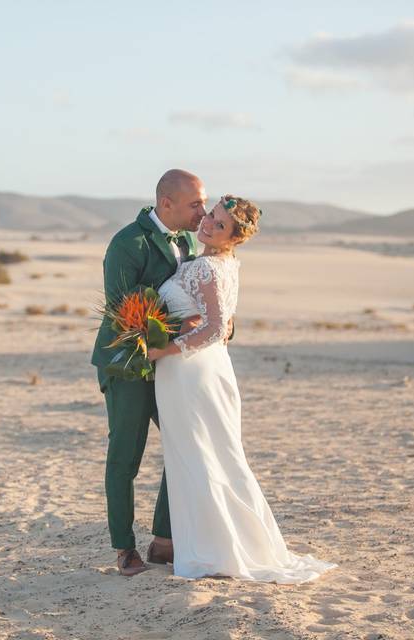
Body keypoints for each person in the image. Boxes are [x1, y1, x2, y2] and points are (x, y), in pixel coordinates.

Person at [147, 195, 337, 583]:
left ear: (233, 239)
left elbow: (218, 328)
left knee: (203, 456)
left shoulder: (211, 268)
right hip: (198, 369)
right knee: (203, 455)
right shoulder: (217, 263)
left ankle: (216, 550)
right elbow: (214, 323)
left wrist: (163, 348)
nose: (208, 225)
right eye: (212, 216)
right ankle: (206, 543)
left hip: (190, 372)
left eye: (220, 226)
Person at [91, 169, 207, 576]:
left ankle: (163, 539)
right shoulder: (127, 243)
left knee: (185, 445)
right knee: (126, 457)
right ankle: (124, 548)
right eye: (195, 204)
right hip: (128, 366)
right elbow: (124, 313)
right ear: (166, 203)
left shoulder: (191, 240)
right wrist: (182, 332)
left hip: (171, 365)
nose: (202, 211)